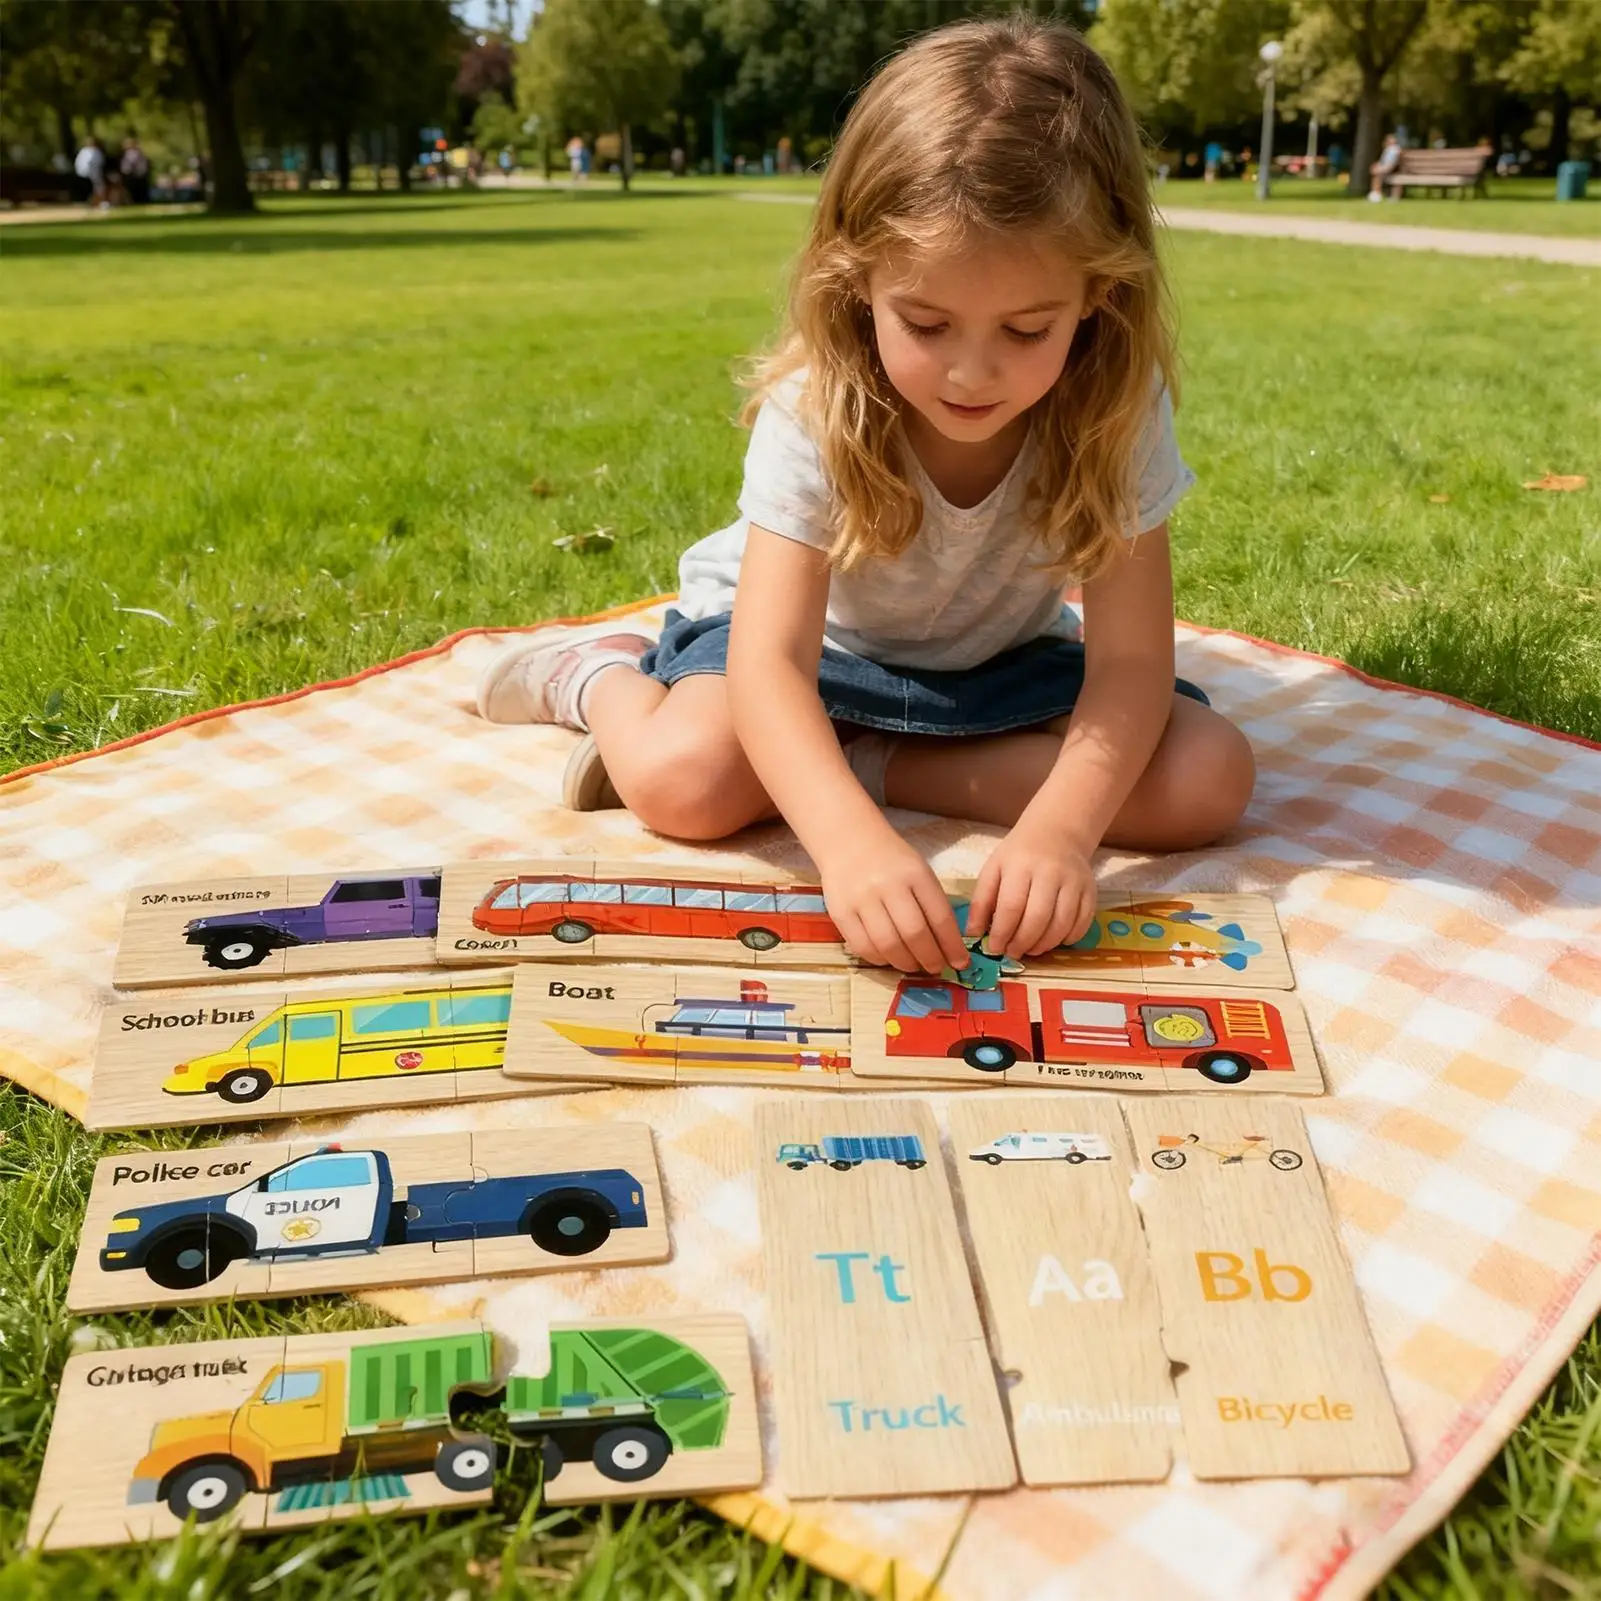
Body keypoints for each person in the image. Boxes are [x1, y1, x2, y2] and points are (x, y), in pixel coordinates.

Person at [475, 15, 1255, 972]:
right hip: (812, 657)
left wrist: (1058, 833)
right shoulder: (818, 404)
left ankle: (875, 758)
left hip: (995, 662)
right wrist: (845, 846)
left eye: (1026, 330)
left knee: (1206, 778)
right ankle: (593, 677)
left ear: (1098, 291)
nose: (972, 373)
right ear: (856, 280)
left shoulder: (1116, 408)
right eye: (926, 322)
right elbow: (769, 666)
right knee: (687, 785)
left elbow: (1130, 663)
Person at [74, 136, 107, 208]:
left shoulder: (84, 151)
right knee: (98, 187)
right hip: (93, 173)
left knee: (96, 188)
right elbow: (98, 162)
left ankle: (96, 202)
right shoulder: (94, 152)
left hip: (85, 173)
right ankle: (99, 202)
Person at [1369, 132, 1402, 200]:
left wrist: (1382, 167)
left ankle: (1376, 193)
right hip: (1386, 167)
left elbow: (1392, 163)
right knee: (1375, 172)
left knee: (1377, 173)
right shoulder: (1387, 149)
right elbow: (1383, 161)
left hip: (1391, 168)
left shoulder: (1395, 149)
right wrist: (1378, 165)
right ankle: (1376, 192)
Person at [120, 134, 150, 205]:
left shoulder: (134, 153)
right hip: (131, 174)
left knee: (137, 191)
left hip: (135, 175)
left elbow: (133, 164)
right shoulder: (128, 153)